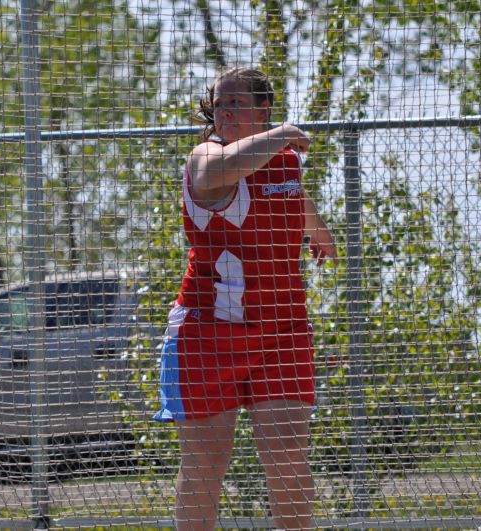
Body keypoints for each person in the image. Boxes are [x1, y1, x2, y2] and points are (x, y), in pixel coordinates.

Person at [154, 66, 338, 530]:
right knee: (207, 463)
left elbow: (289, 191)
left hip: (282, 330)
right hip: (210, 331)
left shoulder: (283, 157)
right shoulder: (207, 155)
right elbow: (220, 172)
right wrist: (279, 135)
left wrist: (317, 230)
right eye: (220, 105)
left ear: (263, 108)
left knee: (288, 456)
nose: (227, 112)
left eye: (237, 103)